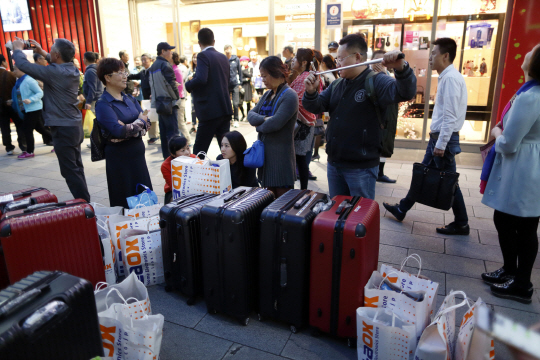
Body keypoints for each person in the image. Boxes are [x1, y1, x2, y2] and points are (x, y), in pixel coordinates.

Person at [303, 34, 416, 199]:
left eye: (340, 59)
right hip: (335, 164)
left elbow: (404, 92)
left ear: (357, 57)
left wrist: (402, 68)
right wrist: (311, 92)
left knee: (358, 217)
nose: (337, 63)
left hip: (361, 168)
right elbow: (316, 106)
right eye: (336, 59)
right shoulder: (337, 85)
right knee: (336, 213)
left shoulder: (376, 81)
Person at [384, 38, 469, 235]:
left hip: (443, 140)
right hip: (439, 138)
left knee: (449, 182)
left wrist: (440, 144)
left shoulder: (450, 78)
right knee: (422, 174)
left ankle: (462, 222)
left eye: (433, 53)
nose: (430, 57)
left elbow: (450, 115)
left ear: (445, 56)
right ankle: (402, 209)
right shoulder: (448, 76)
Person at [479, 44, 540, 304]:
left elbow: (508, 143)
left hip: (522, 168)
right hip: (527, 167)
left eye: (533, 51)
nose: (527, 52)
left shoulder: (530, 96)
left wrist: (495, 133)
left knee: (520, 226)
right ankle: (511, 271)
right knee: (513, 222)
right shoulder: (530, 92)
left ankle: (521, 283)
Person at [12, 38, 90, 201]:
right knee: (76, 168)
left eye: (51, 51)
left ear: (56, 55)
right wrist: (41, 52)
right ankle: (85, 202)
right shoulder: (72, 68)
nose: (49, 52)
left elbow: (24, 65)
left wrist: (17, 49)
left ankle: (84, 205)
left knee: (70, 171)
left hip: (63, 128)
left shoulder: (55, 72)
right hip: (73, 126)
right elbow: (57, 58)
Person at [95, 57, 152, 208]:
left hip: (138, 157)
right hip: (120, 161)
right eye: (120, 73)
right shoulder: (103, 104)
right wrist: (138, 123)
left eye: (124, 72)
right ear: (107, 77)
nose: (125, 76)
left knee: (144, 199)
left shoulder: (129, 98)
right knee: (125, 202)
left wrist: (131, 128)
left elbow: (148, 123)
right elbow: (119, 131)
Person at [247, 56, 298, 198]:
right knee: (268, 199)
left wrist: (258, 125)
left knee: (282, 202)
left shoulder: (290, 95)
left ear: (275, 73)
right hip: (266, 155)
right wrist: (264, 119)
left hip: (280, 157)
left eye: (264, 76)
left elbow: (275, 124)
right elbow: (250, 115)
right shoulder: (268, 94)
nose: (262, 79)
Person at [186, 28, 232, 155]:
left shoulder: (203, 55)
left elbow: (201, 79)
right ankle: (231, 174)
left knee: (199, 152)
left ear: (199, 43)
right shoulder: (223, 57)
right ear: (214, 41)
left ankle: (196, 175)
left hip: (209, 111)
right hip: (224, 108)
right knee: (227, 150)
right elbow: (228, 81)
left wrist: (188, 85)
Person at [290, 48, 319, 190]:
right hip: (302, 123)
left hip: (303, 124)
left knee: (300, 159)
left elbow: (299, 101)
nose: (293, 60)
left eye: (295, 58)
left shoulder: (305, 77)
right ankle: (302, 189)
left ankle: (303, 189)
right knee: (299, 158)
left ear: (303, 62)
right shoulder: (301, 75)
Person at [10, 65, 51, 159]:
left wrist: (31, 99)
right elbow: (21, 95)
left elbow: (40, 93)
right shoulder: (19, 81)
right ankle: (58, 143)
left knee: (27, 129)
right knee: (40, 129)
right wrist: (13, 101)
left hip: (33, 108)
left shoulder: (29, 80)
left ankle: (29, 151)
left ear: (22, 69)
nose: (14, 72)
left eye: (15, 69)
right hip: (26, 109)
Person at [370, 50, 398, 184]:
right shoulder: (368, 77)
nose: (380, 63)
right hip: (373, 118)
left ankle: (380, 172)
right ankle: (375, 172)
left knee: (385, 143)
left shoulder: (388, 76)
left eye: (383, 60)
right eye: (376, 60)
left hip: (387, 117)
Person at [149, 42, 180, 159]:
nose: (171, 53)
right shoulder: (165, 65)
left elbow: (153, 86)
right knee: (173, 133)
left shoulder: (153, 66)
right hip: (169, 103)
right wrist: (177, 98)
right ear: (163, 51)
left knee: (163, 133)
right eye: (169, 50)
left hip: (159, 103)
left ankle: (167, 158)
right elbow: (171, 84)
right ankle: (175, 159)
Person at [128, 53, 157, 144]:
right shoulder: (143, 71)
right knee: (150, 116)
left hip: (152, 97)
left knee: (153, 116)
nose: (144, 62)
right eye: (142, 60)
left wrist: (153, 94)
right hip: (145, 98)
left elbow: (155, 84)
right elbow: (134, 76)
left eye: (145, 60)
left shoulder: (153, 70)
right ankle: (153, 135)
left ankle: (154, 135)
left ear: (150, 60)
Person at [0, 54, 26, 155]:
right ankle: (23, 145)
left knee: (4, 126)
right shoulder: (11, 74)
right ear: (3, 62)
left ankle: (9, 148)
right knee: (19, 124)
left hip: (0, 106)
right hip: (12, 103)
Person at [161, 135, 193, 204]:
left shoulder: (195, 158)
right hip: (174, 191)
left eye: (188, 148)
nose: (187, 152)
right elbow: (174, 187)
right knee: (175, 201)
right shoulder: (166, 166)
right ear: (173, 154)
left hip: (194, 189)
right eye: (183, 150)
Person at [170, 52, 191, 145]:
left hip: (179, 99)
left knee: (180, 122)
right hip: (176, 99)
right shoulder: (172, 69)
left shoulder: (177, 70)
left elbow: (179, 87)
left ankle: (188, 141)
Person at [224, 45, 243, 128]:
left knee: (235, 103)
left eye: (229, 49)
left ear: (231, 50)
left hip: (235, 83)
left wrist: (240, 83)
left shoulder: (236, 59)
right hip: (225, 84)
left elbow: (240, 71)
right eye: (226, 49)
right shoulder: (223, 59)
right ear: (224, 50)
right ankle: (229, 119)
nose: (228, 51)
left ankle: (236, 119)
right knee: (227, 103)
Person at [240, 56, 252, 121]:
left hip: (248, 87)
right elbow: (240, 78)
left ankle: (247, 116)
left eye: (245, 61)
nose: (244, 62)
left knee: (248, 102)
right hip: (241, 86)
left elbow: (250, 75)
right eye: (242, 61)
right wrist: (245, 79)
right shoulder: (239, 69)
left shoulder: (250, 68)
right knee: (240, 102)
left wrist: (243, 70)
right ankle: (243, 115)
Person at [188, 52, 198, 134]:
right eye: (193, 57)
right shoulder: (191, 69)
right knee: (193, 110)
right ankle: (193, 126)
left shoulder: (201, 68)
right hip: (193, 92)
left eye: (196, 57)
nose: (195, 59)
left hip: (200, 93)